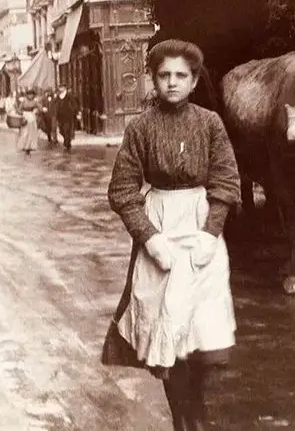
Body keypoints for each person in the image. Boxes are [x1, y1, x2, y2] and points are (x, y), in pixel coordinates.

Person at [102, 39, 240, 431]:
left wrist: (211, 233)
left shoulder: (209, 123)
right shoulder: (140, 127)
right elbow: (122, 190)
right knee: (167, 330)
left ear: (194, 81)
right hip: (160, 226)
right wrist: (149, 237)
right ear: (154, 79)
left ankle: (197, 409)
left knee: (202, 328)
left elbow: (226, 181)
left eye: (181, 75)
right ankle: (182, 418)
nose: (172, 82)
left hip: (200, 225)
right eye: (164, 75)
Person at [56, 87, 78, 151]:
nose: (60, 88)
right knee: (61, 130)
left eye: (61, 87)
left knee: (66, 130)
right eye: (60, 87)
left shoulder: (69, 95)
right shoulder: (58, 96)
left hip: (68, 116)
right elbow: (56, 104)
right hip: (60, 116)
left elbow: (74, 104)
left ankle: (67, 143)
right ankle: (67, 141)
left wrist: (73, 111)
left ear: (64, 88)